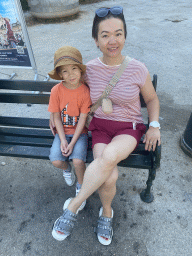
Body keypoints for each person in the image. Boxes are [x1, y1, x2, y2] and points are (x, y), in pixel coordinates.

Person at [51, 6, 161, 245]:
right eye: (105, 35)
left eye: (118, 33)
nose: (113, 40)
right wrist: (54, 116)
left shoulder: (138, 68)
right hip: (100, 127)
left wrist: (153, 125)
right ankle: (107, 213)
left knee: (109, 155)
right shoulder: (87, 70)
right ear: (96, 40)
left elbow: (151, 99)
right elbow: (68, 91)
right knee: (109, 176)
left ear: (125, 36)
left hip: (128, 128)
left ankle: (73, 207)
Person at [48, 46, 92, 231]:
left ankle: (80, 188)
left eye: (74, 68)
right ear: (59, 74)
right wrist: (63, 139)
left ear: (80, 70)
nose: (70, 74)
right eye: (64, 71)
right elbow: (56, 117)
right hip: (62, 132)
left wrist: (72, 141)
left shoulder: (84, 91)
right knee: (56, 160)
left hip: (79, 133)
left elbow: (83, 119)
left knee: (78, 160)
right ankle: (67, 170)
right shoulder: (56, 91)